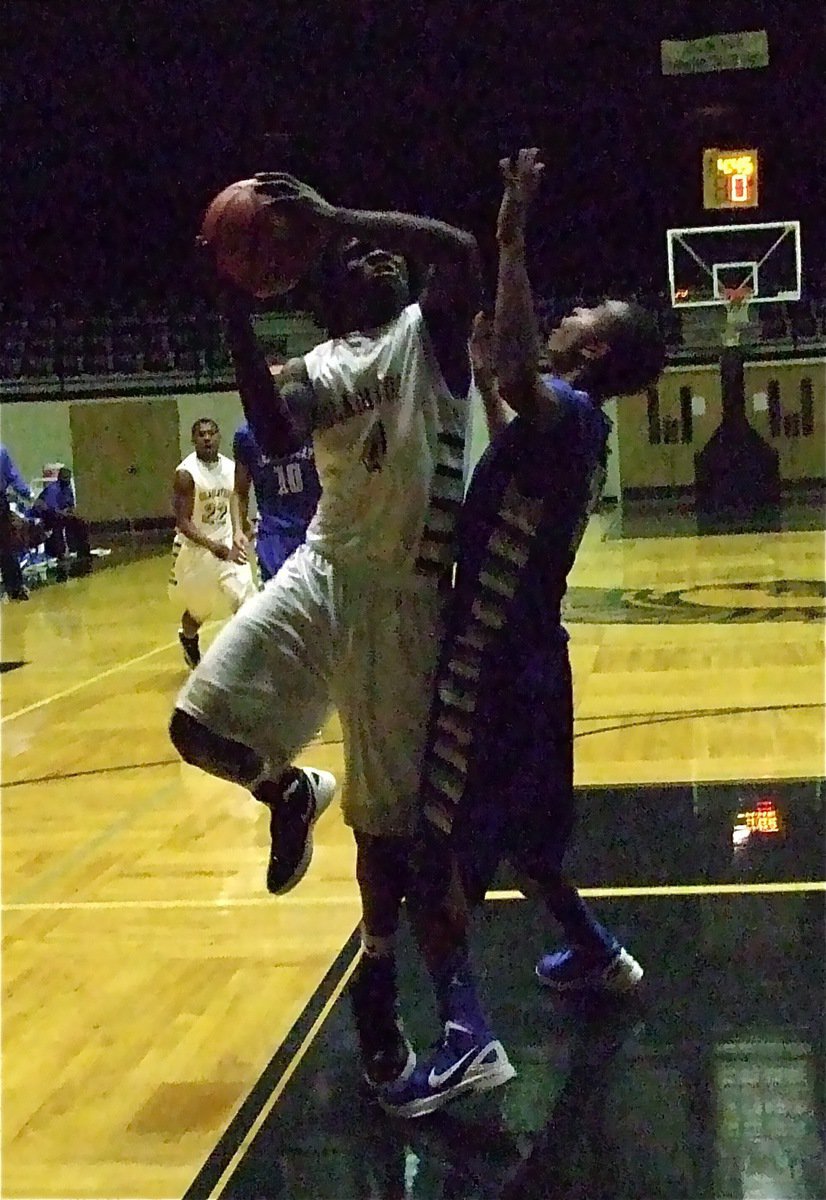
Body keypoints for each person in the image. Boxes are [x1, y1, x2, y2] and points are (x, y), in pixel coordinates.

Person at [169, 171, 480, 1089]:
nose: (380, 253)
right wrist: (232, 300)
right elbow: (268, 425)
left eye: (380, 247)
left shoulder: (430, 336)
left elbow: (459, 250)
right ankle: (288, 788)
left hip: (405, 602)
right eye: (353, 253)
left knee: (386, 837)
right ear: (316, 291)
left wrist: (341, 215)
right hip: (323, 570)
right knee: (197, 727)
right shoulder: (316, 368)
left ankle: (376, 985)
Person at [381, 149, 666, 1118]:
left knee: (437, 860)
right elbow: (512, 394)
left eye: (584, 316)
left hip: (489, 662)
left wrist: (508, 238)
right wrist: (491, 376)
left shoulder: (570, 408)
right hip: (536, 658)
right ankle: (591, 951)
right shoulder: (579, 429)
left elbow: (516, 372)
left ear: (590, 353)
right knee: (534, 840)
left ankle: (466, 1038)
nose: (570, 312)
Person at [169, 417, 258, 668]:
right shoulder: (186, 474)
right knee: (198, 614)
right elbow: (183, 523)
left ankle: (246, 663)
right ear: (193, 439)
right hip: (198, 553)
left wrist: (244, 528)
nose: (207, 438)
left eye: (211, 433)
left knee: (248, 603)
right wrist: (212, 546)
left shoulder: (231, 468)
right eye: (201, 434)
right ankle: (188, 639)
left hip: (229, 548)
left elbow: (237, 500)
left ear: (219, 436)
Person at [233, 406, 321, 584]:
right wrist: (238, 529)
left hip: (314, 529)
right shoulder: (247, 435)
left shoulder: (314, 430)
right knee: (278, 602)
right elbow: (239, 491)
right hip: (274, 536)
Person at [32, 466, 92, 566]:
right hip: (46, 515)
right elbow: (51, 509)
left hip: (61, 514)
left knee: (80, 522)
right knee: (57, 523)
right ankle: (60, 552)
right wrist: (65, 514)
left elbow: (70, 505)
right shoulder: (53, 489)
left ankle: (82, 550)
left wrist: (72, 513)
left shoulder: (68, 489)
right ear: (59, 478)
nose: (66, 481)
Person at [0, 444, 33, 601]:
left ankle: (15, 588)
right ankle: (15, 588)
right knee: (6, 546)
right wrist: (28, 494)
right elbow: (13, 476)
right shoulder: (1, 450)